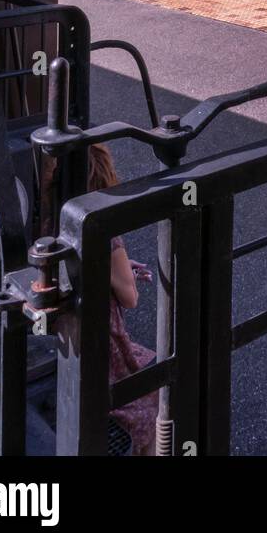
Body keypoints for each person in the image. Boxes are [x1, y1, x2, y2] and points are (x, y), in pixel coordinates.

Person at [87, 143, 158, 456]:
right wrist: (121, 271)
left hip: (74, 338)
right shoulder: (106, 234)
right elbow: (129, 298)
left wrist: (115, 270)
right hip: (106, 345)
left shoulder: (53, 223)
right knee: (157, 386)